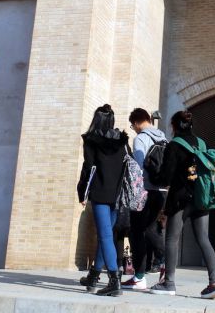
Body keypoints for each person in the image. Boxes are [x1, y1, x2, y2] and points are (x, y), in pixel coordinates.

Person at [148, 110, 215, 299]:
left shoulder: (174, 146)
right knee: (204, 239)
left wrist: (151, 170)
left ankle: (169, 283)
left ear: (174, 126)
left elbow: (165, 177)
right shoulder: (202, 143)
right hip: (201, 197)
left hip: (180, 198)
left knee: (172, 239)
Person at [77, 104, 129, 297]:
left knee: (105, 236)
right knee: (106, 236)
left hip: (100, 193)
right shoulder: (122, 140)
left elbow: (88, 168)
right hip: (117, 195)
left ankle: (114, 281)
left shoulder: (90, 140)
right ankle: (93, 276)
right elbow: (127, 164)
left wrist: (82, 193)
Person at [121, 108, 168, 290]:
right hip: (161, 191)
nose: (133, 129)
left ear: (137, 122)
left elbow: (139, 168)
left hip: (145, 191)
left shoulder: (140, 138)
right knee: (152, 229)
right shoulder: (163, 138)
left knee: (136, 232)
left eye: (133, 126)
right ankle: (164, 263)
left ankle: (139, 276)